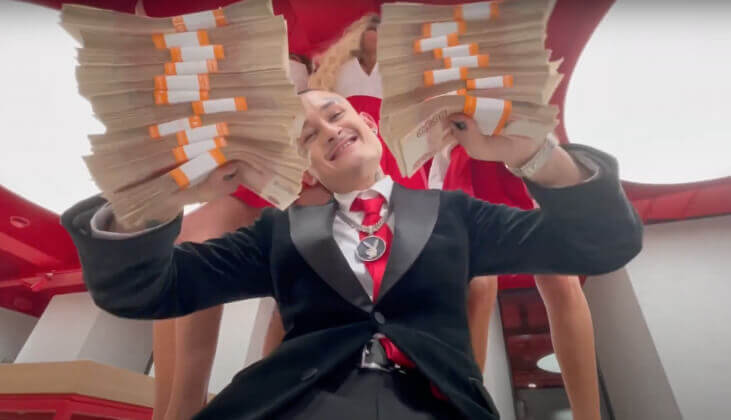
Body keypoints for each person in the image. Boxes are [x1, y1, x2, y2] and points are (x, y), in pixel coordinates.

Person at [62, 86, 643, 419]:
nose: (327, 129)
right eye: (307, 136)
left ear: (368, 123)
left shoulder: (457, 214)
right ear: (304, 169)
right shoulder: (276, 232)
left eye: (334, 113)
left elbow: (602, 242)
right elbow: (142, 290)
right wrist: (162, 196)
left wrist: (536, 153)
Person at [309, 16, 605, 420]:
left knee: (554, 275)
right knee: (470, 284)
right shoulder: (331, 80)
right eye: (374, 23)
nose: (382, 28)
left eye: (388, 23)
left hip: (477, 135)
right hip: (406, 169)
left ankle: (585, 414)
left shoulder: (430, 51)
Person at [149, 55, 315, 420]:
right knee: (184, 250)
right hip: (257, 167)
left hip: (296, 177)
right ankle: (175, 406)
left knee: (293, 285)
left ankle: (189, 405)